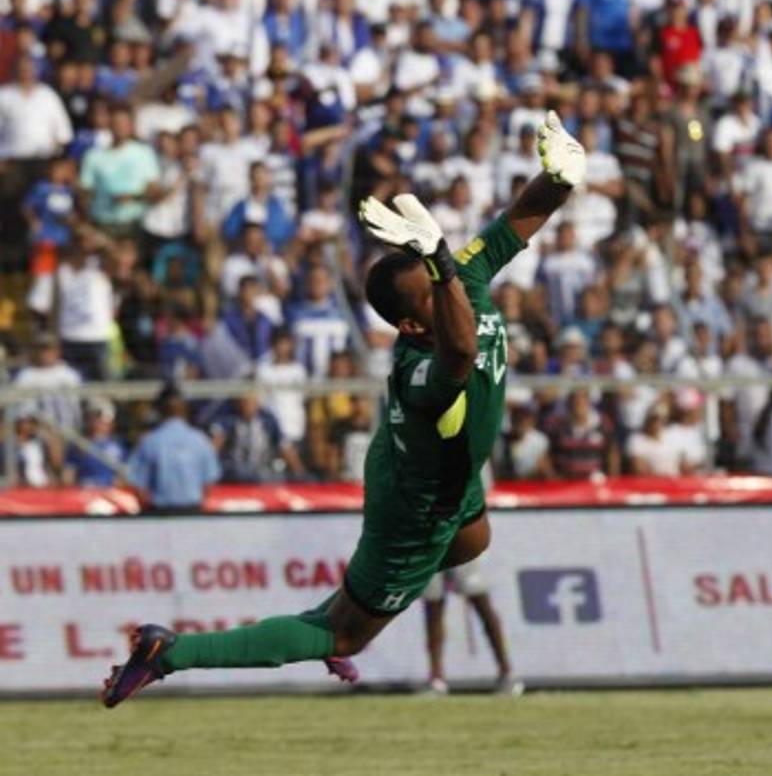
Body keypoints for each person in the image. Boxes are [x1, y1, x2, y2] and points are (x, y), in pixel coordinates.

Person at [102, 112, 586, 706]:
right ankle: (170, 650)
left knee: (473, 542)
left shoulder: (462, 280)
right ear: (411, 324)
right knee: (342, 633)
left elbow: (518, 220)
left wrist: (561, 177)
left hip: (441, 477)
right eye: (441, 284)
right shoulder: (421, 373)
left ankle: (344, 608)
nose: (454, 285)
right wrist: (436, 258)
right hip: (411, 506)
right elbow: (460, 349)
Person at [419, 558, 523, 697]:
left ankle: (507, 673)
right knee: (433, 606)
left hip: (457, 542)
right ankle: (436, 679)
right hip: (428, 547)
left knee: (481, 601)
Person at [125, 385, 222, 513]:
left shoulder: (150, 441)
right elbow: (209, 483)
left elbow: (137, 484)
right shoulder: (200, 441)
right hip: (192, 511)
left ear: (160, 410)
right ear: (185, 409)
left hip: (160, 512)